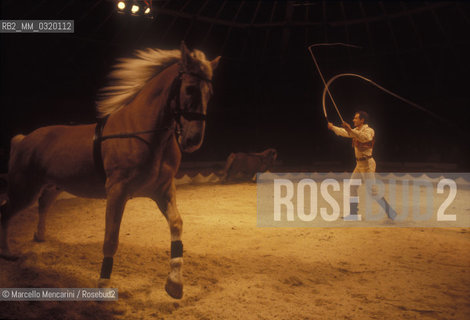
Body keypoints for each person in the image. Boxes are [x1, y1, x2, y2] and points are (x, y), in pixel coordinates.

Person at [328, 111, 396, 221]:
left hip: (367, 164)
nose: (353, 120)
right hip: (359, 164)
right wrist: (333, 128)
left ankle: (390, 212)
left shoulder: (369, 130)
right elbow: (344, 132)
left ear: (362, 120)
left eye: (356, 118)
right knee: (353, 187)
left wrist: (350, 130)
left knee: (372, 192)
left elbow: (365, 138)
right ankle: (353, 214)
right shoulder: (355, 131)